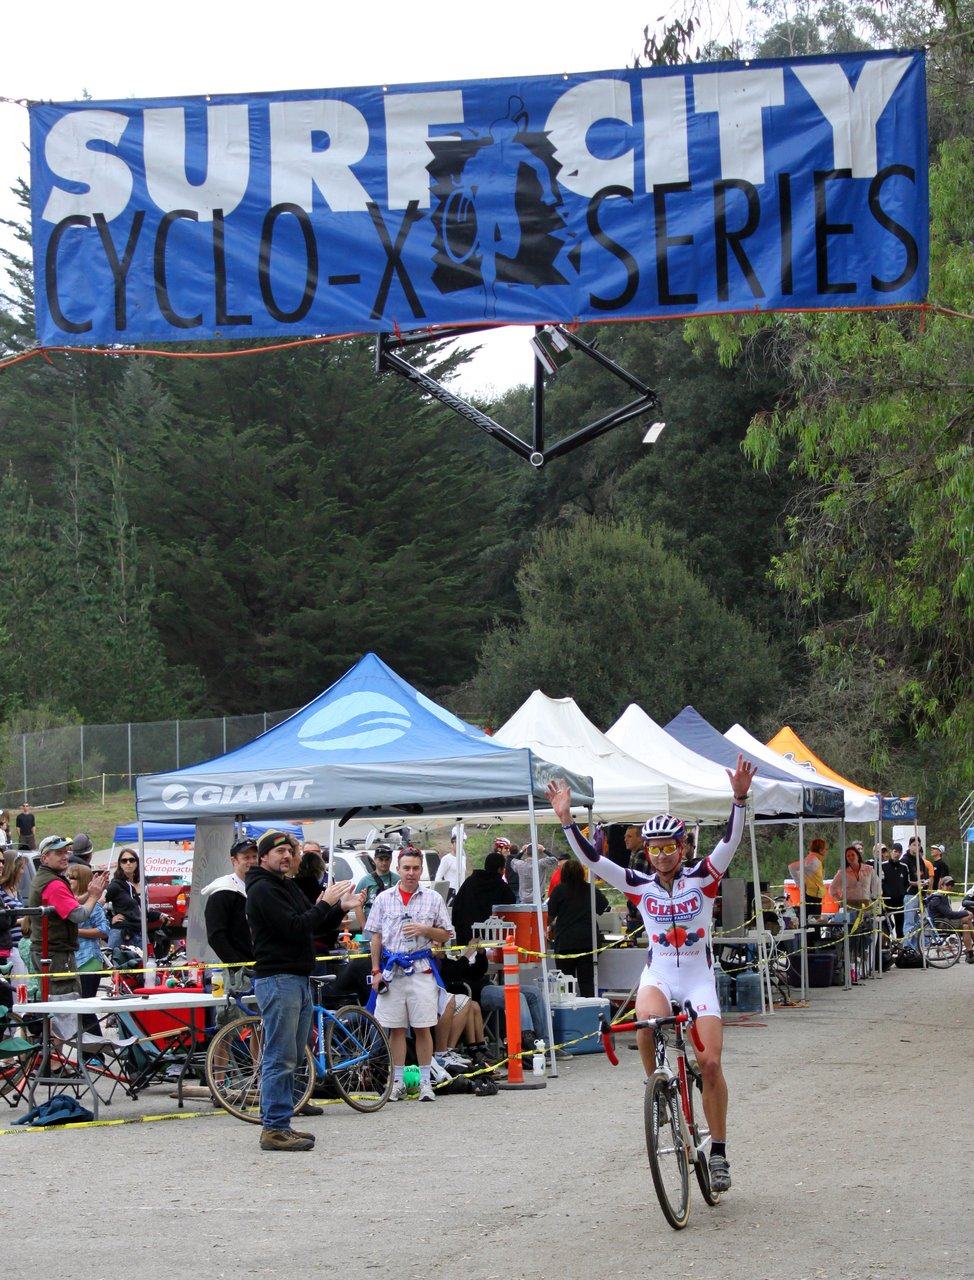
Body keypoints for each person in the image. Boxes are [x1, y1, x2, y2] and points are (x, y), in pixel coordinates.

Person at [547, 754, 757, 1195]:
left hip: (698, 977)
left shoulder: (704, 876)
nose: (661, 856)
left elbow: (732, 841)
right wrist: (567, 821)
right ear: (647, 852)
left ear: (683, 849)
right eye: (654, 850)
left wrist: (739, 798)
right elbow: (593, 860)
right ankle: (658, 1089)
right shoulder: (637, 884)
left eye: (669, 848)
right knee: (645, 1025)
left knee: (712, 1063)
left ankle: (717, 1151)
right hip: (659, 973)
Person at [245, 828, 363, 1152]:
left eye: (289, 851)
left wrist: (340, 908)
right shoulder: (262, 890)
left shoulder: (283, 886)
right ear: (264, 856)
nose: (286, 856)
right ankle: (274, 1128)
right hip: (278, 979)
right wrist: (325, 902)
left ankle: (281, 1122)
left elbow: (315, 926)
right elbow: (297, 927)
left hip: (295, 978)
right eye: (279, 851)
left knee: (293, 1056)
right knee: (280, 1056)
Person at [365, 847, 454, 1103]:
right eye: (407, 868)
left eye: (416, 868)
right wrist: (376, 970)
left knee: (423, 1027)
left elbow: (446, 934)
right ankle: (397, 1083)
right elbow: (375, 936)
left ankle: (426, 1082)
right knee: (395, 1029)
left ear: (422, 870)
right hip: (393, 970)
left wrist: (425, 929)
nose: (411, 873)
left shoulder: (433, 898)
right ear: (398, 869)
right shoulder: (383, 898)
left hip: (421, 968)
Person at [26, 835, 108, 999]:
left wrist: (88, 894)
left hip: (49, 952)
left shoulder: (45, 878)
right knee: (65, 1006)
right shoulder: (54, 884)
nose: (65, 856)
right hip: (55, 955)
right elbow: (78, 915)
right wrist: (93, 897)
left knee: (60, 1006)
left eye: (66, 851)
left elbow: (68, 904)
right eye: (58, 853)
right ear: (45, 858)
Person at [546, 858, 609, 998]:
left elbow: (549, 916)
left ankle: (569, 1015)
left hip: (565, 942)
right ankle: (590, 1013)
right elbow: (603, 907)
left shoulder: (559, 891)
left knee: (565, 983)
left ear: (564, 874)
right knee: (587, 983)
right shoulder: (590, 889)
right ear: (582, 873)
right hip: (588, 942)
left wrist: (552, 924)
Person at [202, 836, 258, 985]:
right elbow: (215, 935)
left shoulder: (260, 888)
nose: (252, 861)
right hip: (234, 971)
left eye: (254, 856)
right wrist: (237, 965)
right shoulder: (222, 891)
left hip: (262, 967)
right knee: (235, 1008)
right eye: (246, 857)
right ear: (234, 861)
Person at [66, 863, 110, 1032]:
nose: (68, 880)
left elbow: (104, 930)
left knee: (86, 1009)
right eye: (67, 877)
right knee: (77, 1010)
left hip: (89, 960)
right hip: (72, 960)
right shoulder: (69, 903)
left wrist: (77, 931)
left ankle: (96, 1051)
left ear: (83, 881)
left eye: (73, 878)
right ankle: (86, 1050)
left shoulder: (95, 906)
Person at [105, 849, 170, 955]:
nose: (128, 863)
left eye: (131, 860)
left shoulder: (142, 884)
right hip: (121, 933)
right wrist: (109, 919)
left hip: (140, 933)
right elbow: (98, 904)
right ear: (120, 864)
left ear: (137, 863)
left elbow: (143, 912)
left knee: (147, 967)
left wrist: (160, 915)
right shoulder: (115, 885)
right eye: (124, 861)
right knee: (117, 969)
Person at [926, 876, 974, 961]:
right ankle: (970, 953)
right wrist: (965, 912)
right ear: (941, 885)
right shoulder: (937, 897)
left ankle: (970, 954)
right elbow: (949, 914)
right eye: (947, 884)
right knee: (967, 918)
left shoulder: (945, 896)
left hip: (946, 921)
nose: (950, 887)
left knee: (966, 926)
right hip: (940, 923)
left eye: (952, 885)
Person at [355, 846, 399, 921]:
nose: (384, 863)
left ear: (391, 860)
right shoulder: (365, 881)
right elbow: (357, 906)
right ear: (374, 860)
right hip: (371, 925)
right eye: (381, 859)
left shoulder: (398, 880)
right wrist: (364, 927)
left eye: (387, 859)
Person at [788, 837, 827, 917]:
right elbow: (792, 867)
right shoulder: (813, 860)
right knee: (812, 921)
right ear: (820, 850)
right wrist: (800, 884)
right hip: (812, 895)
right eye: (825, 849)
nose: (826, 851)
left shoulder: (816, 859)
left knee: (813, 920)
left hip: (815, 894)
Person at [881, 843, 910, 937]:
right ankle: (885, 948)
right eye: (895, 851)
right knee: (887, 927)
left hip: (900, 902)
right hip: (886, 902)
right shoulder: (883, 866)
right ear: (891, 851)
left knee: (900, 929)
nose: (897, 854)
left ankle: (900, 949)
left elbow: (907, 883)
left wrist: (903, 893)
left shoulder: (904, 867)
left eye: (899, 852)